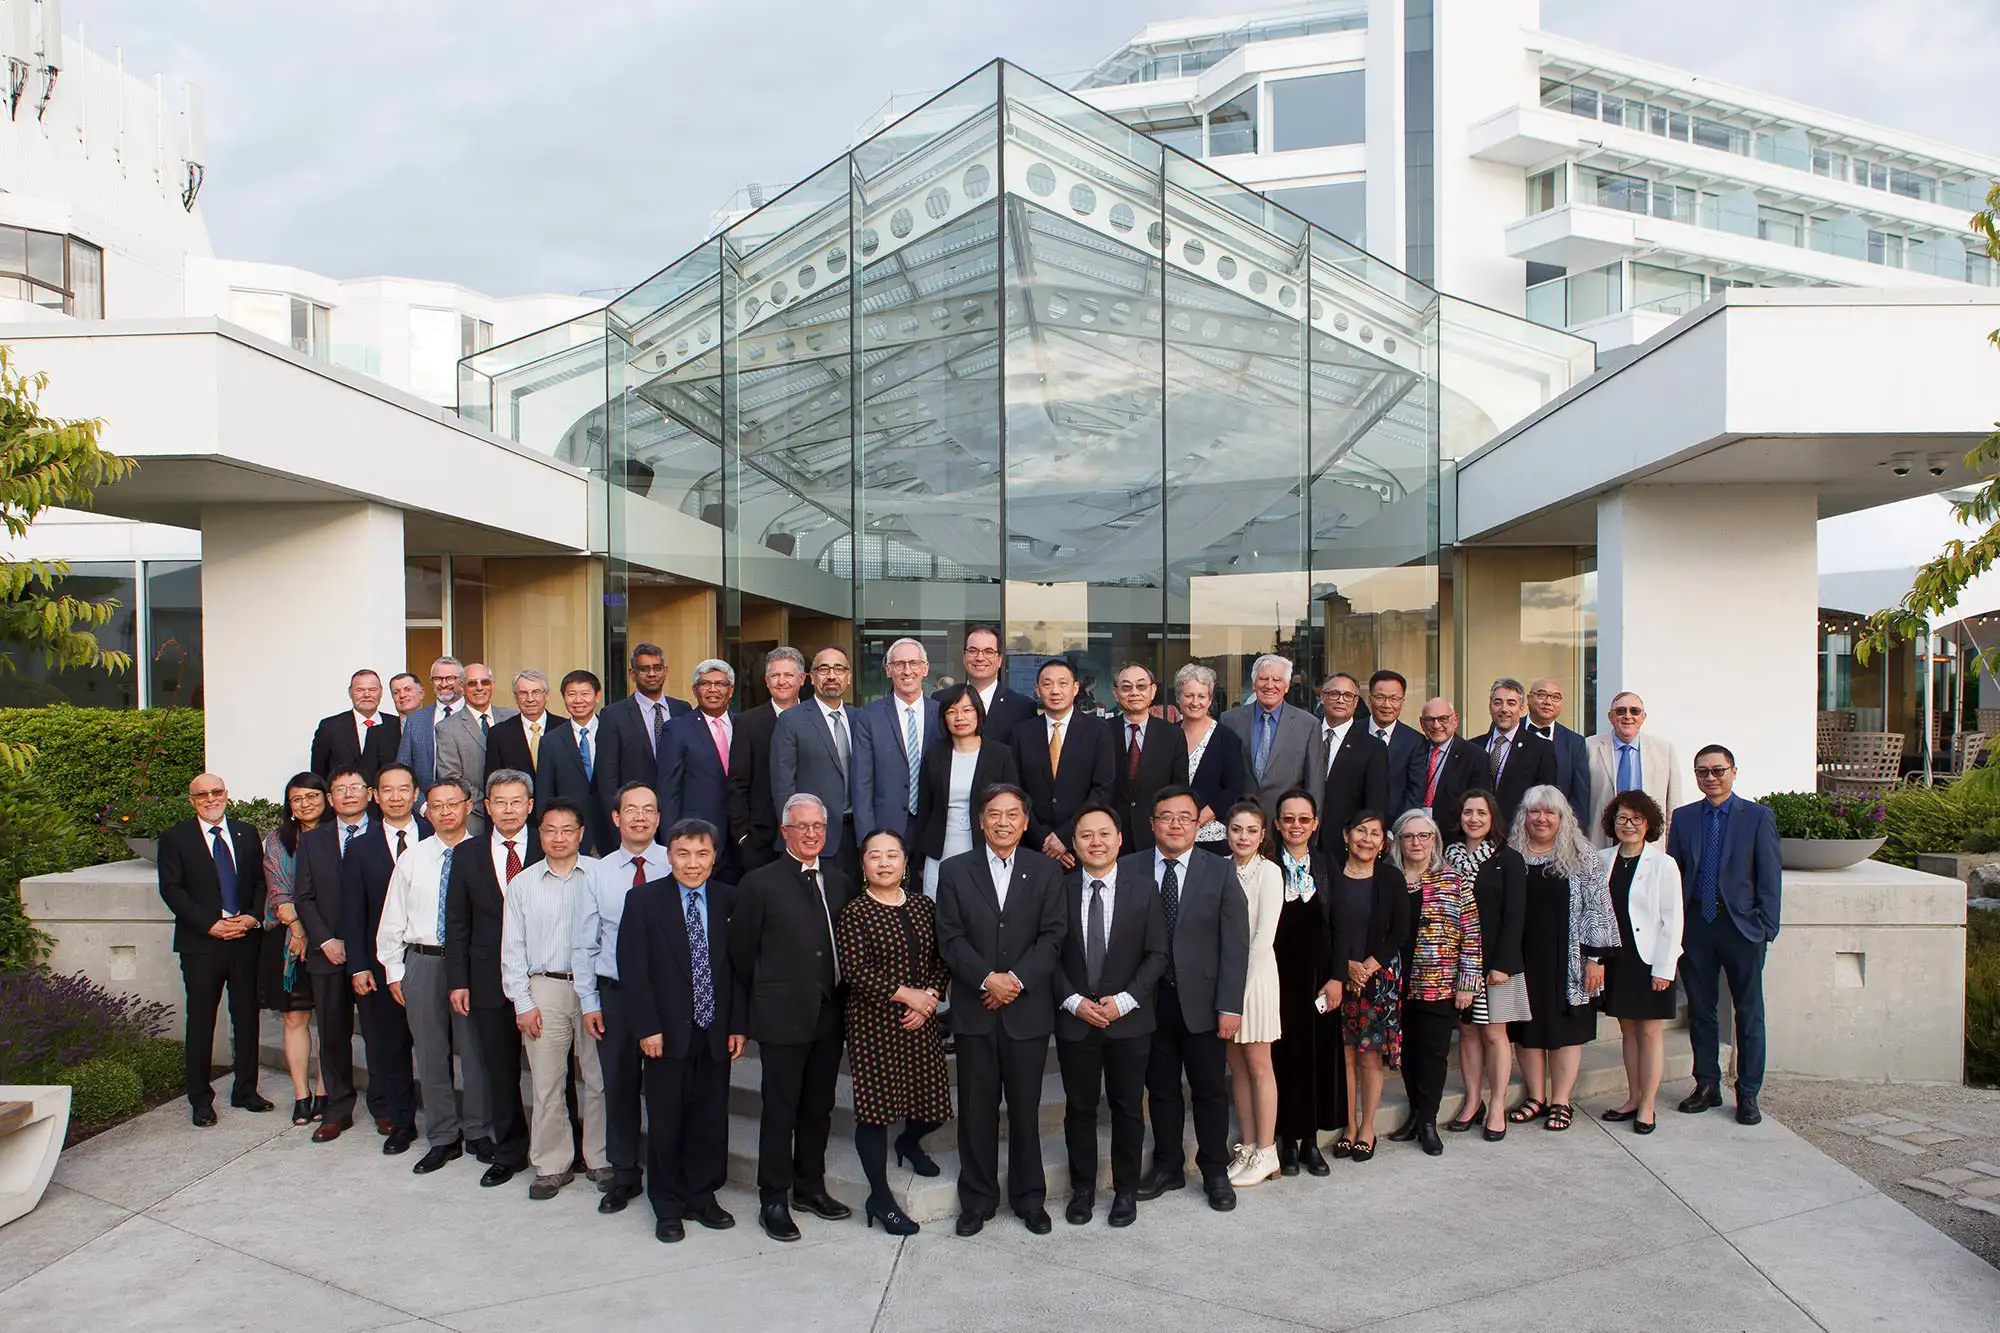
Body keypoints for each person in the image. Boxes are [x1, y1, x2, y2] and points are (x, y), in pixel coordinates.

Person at [934, 783, 1067, 1236]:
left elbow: (1052, 936)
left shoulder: (1045, 871)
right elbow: (949, 937)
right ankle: (978, 1199)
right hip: (975, 1009)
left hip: (1026, 1013)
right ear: (980, 819)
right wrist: (987, 980)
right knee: (976, 1110)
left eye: (1013, 814)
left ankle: (1031, 1198)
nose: (1003, 822)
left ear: (1026, 822)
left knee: (1027, 1110)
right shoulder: (954, 871)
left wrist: (1014, 982)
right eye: (994, 813)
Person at [730, 794, 856, 1241]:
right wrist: (745, 1017)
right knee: (780, 1109)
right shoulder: (759, 884)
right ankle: (773, 1197)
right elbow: (742, 957)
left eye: (818, 826)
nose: (810, 834)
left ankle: (809, 1186)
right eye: (801, 826)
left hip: (829, 1014)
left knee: (818, 1108)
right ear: (785, 832)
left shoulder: (841, 880)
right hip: (782, 1015)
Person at [619, 817, 747, 1244]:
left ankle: (702, 1196)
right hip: (666, 1033)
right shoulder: (643, 902)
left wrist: (737, 1025)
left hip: (714, 1031)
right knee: (667, 1119)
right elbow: (633, 971)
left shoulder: (730, 901)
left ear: (714, 856)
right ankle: (668, 1204)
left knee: (709, 1118)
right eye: (683, 854)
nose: (693, 864)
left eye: (702, 854)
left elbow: (739, 971)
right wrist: (647, 1027)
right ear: (668, 855)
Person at [1049, 803, 1167, 1228]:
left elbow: (1157, 954)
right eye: (1085, 835)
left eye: (1104, 834)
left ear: (1119, 839)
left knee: (1128, 1108)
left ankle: (1124, 1191)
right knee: (1079, 1108)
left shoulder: (1143, 888)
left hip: (1128, 1021)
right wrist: (1073, 1001)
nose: (1095, 842)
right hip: (1075, 1019)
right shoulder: (1057, 890)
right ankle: (1082, 1190)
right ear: (1075, 843)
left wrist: (1125, 1000)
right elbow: (1049, 955)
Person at [1134, 785, 1249, 1212]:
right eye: (1166, 816)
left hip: (1203, 1001)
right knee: (1160, 1089)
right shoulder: (1129, 867)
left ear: (1198, 823)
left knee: (1209, 1090)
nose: (1176, 824)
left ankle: (1215, 1169)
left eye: (1185, 816)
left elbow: (1235, 943)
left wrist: (1230, 1006)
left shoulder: (1218, 870)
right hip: (1148, 1001)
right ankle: (1167, 1165)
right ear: (1152, 824)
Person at [835, 828, 953, 1237]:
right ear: (863, 864)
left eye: (892, 855)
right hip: (874, 1023)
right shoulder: (855, 912)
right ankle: (879, 1197)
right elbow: (856, 971)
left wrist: (931, 998)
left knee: (933, 1107)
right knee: (876, 1113)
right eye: (875, 856)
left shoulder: (924, 905)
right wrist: (909, 997)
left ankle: (909, 1143)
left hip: (920, 1020)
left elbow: (943, 958)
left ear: (906, 863)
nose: (884, 862)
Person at [377, 778, 489, 1174]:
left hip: (473, 964)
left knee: (474, 1050)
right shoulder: (414, 857)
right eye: (436, 805)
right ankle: (443, 1136)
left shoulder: (485, 853)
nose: (444, 811)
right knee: (430, 1053)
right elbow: (394, 915)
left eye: (452, 804)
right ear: (427, 810)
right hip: (423, 961)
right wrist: (395, 970)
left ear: (469, 805)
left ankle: (478, 1129)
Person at [1666, 744, 1781, 1126]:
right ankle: (1707, 1085)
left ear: (1733, 772)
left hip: (1742, 928)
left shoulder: (1757, 817)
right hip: (1698, 926)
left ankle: (1747, 1093)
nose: (1710, 778)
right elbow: (1677, 874)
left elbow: (1769, 877)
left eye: (1717, 771)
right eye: (1702, 772)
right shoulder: (1683, 819)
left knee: (1748, 1014)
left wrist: (1766, 927)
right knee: (1701, 1010)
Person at [500, 798, 608, 1199]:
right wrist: (522, 1002)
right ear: (539, 833)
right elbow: (512, 949)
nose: (559, 837)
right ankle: (551, 1163)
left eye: (568, 830)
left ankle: (600, 1157)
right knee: (547, 1081)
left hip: (593, 987)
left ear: (581, 833)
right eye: (550, 830)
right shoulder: (523, 884)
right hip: (544, 985)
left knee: (598, 1078)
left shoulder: (600, 875)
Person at [575, 783, 670, 1215]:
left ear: (658, 817)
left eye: (649, 810)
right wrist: (589, 1001)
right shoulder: (598, 872)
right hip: (615, 995)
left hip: (668, 997)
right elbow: (585, 941)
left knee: (668, 1089)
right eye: (631, 810)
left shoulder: (676, 862)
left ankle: (670, 1171)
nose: (640, 817)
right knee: (619, 1086)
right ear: (615, 818)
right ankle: (624, 1173)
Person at [445, 768, 543, 1186]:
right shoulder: (468, 854)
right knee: (499, 1069)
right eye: (499, 802)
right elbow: (457, 921)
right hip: (486, 978)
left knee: (551, 1069)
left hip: (541, 976)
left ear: (530, 806)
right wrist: (458, 980)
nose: (508, 809)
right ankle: (510, 1150)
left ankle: (560, 1145)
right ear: (486, 807)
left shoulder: (548, 846)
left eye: (516, 801)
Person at [1505, 785, 1619, 1134]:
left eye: (1549, 813)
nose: (1541, 818)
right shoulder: (1511, 853)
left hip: (1566, 957)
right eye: (1534, 812)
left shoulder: (1582, 855)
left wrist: (1594, 958)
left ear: (1562, 817)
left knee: (1565, 1031)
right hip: (1521, 956)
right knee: (1525, 1029)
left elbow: (1598, 909)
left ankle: (1561, 1101)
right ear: (1524, 816)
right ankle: (1536, 1097)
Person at [158, 774, 271, 1125]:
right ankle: (200, 1100)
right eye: (202, 794)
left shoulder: (245, 832)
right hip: (202, 944)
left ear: (226, 795)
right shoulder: (175, 838)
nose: (210, 798)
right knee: (203, 1021)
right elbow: (172, 890)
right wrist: (209, 924)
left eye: (216, 792)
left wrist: (251, 918)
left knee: (247, 1017)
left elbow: (258, 882)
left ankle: (246, 1090)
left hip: (244, 940)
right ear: (192, 800)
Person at [341, 762, 429, 1153]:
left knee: (434, 1045)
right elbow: (352, 911)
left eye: (403, 789)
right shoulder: (360, 847)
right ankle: (400, 1121)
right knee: (389, 1047)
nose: (396, 797)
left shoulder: (437, 835)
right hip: (379, 965)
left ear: (416, 794)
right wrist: (359, 964)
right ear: (375, 796)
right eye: (387, 790)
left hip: (432, 960)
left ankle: (450, 1124)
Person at [1385, 810, 1480, 1158]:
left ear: (1435, 841)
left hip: (1437, 982)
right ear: (1398, 841)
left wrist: (1467, 982)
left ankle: (1428, 1120)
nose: (1416, 843)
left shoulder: (1453, 880)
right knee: (1406, 1051)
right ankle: (1413, 1113)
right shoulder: (1388, 877)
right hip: (1395, 982)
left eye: (1424, 836)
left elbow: (1471, 934)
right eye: (1409, 836)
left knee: (1432, 1053)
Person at [288, 766, 374, 1141]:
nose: (349, 794)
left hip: (373, 954)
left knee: (379, 1033)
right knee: (333, 1034)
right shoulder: (313, 840)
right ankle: (337, 1109)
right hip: (327, 953)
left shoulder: (387, 833)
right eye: (340, 789)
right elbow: (303, 897)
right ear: (330, 798)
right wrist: (324, 940)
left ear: (369, 793)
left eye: (355, 787)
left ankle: (385, 1106)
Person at [1596, 790, 1684, 1134]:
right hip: (1616, 958)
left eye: (1636, 819)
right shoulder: (1603, 859)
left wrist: (1665, 968)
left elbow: (1672, 919)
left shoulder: (1663, 863)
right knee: (1627, 1030)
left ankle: (1647, 1104)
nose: (1628, 825)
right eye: (1622, 819)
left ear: (1649, 824)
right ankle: (1632, 1097)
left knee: (1649, 1032)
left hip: (1648, 959)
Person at [1443, 789, 1527, 1142]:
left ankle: (1496, 1106)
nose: (1473, 819)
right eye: (1467, 812)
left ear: (1493, 818)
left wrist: (1503, 964)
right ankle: (1472, 1100)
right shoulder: (1447, 856)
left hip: (1496, 964)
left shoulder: (1507, 859)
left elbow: (1515, 916)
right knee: (1468, 1033)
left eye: (1480, 812)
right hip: (1460, 962)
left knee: (1495, 1034)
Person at [1269, 790, 1344, 1176]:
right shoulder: (1267, 864)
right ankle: (1286, 1139)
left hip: (1319, 979)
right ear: (1278, 823)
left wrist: (1336, 978)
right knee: (1283, 1057)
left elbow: (1340, 924)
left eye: (1304, 818)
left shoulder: (1328, 864)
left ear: (1315, 823)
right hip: (1278, 980)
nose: (1296, 825)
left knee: (1316, 1057)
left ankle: (1311, 1141)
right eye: (1289, 818)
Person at [1328, 809, 1406, 1163]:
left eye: (1375, 833)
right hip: (1336, 977)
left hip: (1378, 979)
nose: (1367, 839)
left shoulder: (1390, 878)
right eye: (1360, 831)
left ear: (1383, 842)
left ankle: (1368, 1128)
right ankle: (1348, 1126)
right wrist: (1345, 966)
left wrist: (1368, 966)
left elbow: (1401, 931)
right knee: (1343, 1055)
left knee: (1369, 1057)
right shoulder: (1330, 875)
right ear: (1346, 835)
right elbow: (1323, 927)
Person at [1222, 799, 1285, 1187]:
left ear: (1263, 835)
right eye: (1236, 829)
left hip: (1256, 979)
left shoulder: (1270, 873)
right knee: (1238, 1068)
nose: (1243, 837)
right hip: (1226, 984)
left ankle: (1267, 1151)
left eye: (1251, 830)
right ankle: (1247, 1145)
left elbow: (1264, 937)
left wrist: (1237, 984)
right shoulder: (1221, 870)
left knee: (1260, 1066)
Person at [261, 772, 329, 1128]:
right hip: (292, 942)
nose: (304, 804)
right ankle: (302, 1094)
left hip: (332, 939)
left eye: (311, 796)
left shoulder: (339, 834)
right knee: (296, 1018)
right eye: (296, 799)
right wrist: (301, 931)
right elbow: (279, 893)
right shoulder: (277, 841)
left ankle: (326, 1091)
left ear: (325, 797)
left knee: (333, 1021)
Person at [912, 683, 1020, 897]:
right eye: (951, 712)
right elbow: (925, 808)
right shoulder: (935, 754)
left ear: (978, 713)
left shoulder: (1000, 754)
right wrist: (920, 860)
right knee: (939, 908)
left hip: (985, 846)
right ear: (944, 718)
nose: (959, 717)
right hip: (940, 848)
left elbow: (1014, 806)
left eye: (967, 710)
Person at [1012, 657, 1114, 873]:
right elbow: (1017, 791)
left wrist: (1066, 837)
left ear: (1076, 688)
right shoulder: (1022, 733)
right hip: (1034, 848)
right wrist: (1045, 840)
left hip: (1082, 848)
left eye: (1062, 683)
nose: (1055, 691)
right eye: (1047, 684)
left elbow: (1102, 790)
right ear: (1037, 690)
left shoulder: (1097, 730)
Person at [772, 646, 861, 876]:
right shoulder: (791, 720)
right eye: (824, 669)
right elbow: (783, 784)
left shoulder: (860, 718)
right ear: (811, 678)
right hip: (811, 837)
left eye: (839, 669)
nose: (832, 675)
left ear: (848, 677)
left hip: (855, 837)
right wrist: (793, 834)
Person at [852, 638, 940, 853]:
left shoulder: (942, 714)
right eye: (899, 664)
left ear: (925, 669)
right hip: (885, 828)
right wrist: (867, 840)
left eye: (913, 663)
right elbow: (861, 784)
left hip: (933, 826)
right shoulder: (869, 716)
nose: (907, 670)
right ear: (888, 670)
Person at [657, 659, 740, 878]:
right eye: (705, 684)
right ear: (695, 690)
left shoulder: (744, 725)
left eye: (720, 684)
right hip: (696, 838)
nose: (713, 689)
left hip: (740, 839)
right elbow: (668, 790)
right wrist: (671, 840)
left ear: (730, 690)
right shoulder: (677, 729)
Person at [728, 646, 806, 872]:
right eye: (775, 675)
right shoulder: (747, 723)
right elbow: (737, 782)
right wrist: (743, 835)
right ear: (766, 680)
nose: (782, 681)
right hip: (761, 839)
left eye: (788, 675)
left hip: (809, 834)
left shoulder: (816, 719)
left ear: (801, 679)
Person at [1220, 654, 1325, 820]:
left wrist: (1312, 827)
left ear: (1287, 686)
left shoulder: (1308, 725)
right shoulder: (1230, 720)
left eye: (1276, 680)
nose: (1269, 686)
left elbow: (1314, 785)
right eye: (1263, 679)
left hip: (1287, 823)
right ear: (1254, 684)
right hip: (1240, 823)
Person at [536, 669, 619, 855]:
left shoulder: (614, 733)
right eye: (571, 694)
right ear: (564, 697)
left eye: (585, 694)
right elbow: (545, 793)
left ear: (597, 696)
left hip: (612, 829)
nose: (578, 700)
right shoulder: (551, 741)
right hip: (569, 833)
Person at [1109, 663, 1189, 854]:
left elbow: (1179, 788)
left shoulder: (1172, 735)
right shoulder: (1101, 732)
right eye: (1126, 687)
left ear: (1153, 691)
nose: (1134, 693)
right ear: (1116, 693)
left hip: (1155, 835)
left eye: (1141, 686)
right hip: (1111, 834)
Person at [1586, 692, 1683, 848]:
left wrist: (1671, 845)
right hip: (1601, 841)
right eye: (1621, 711)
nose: (1627, 716)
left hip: (1650, 844)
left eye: (1634, 711)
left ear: (1643, 717)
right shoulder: (1589, 747)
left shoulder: (1664, 750)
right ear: (1610, 716)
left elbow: (1674, 804)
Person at [1174, 662, 1249, 858]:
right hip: (1172, 835)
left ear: (1209, 700)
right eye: (1189, 695)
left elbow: (1234, 786)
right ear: (1178, 698)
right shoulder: (1168, 735)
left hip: (1213, 836)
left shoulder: (1227, 738)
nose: (1195, 702)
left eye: (1201, 696)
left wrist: (1198, 820)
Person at [601, 643, 695, 793]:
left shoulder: (683, 709)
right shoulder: (613, 715)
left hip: (677, 803)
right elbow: (607, 774)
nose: (652, 674)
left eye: (657, 668)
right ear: (632, 673)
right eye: (644, 669)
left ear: (665, 671)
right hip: (635, 807)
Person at [1470, 677, 1560, 829]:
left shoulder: (1541, 749)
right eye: (1498, 702)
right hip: (1477, 831)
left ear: (1522, 708)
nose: (1504, 709)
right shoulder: (1473, 746)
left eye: (1511, 703)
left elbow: (1544, 798)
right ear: (1490, 706)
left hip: (1518, 834)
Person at [1315, 672, 1389, 856]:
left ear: (1356, 702)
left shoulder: (1373, 747)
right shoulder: (1306, 734)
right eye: (1334, 694)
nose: (1341, 700)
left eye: (1348, 696)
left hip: (1345, 845)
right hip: (1301, 839)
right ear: (1322, 697)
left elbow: (1375, 801)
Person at [1408, 698, 1488, 843]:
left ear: (1455, 720)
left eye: (1443, 719)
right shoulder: (1413, 749)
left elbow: (1480, 802)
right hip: (1414, 837)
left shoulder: (1474, 755)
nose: (1436, 725)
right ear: (1421, 723)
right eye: (1429, 720)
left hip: (1455, 839)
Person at [434, 663, 517, 799]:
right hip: (474, 812)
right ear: (461, 687)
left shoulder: (512, 717)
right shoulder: (447, 728)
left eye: (485, 682)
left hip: (513, 809)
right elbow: (452, 778)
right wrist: (487, 803)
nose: (479, 688)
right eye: (472, 683)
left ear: (492, 685)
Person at [944, 625, 1038, 740]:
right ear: (964, 657)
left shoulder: (1023, 708)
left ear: (999, 660)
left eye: (988, 652)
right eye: (973, 651)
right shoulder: (941, 700)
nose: (979, 658)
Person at [309, 668, 401, 783]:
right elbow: (318, 775)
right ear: (350, 692)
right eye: (360, 690)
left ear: (381, 692)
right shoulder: (329, 727)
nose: (367, 695)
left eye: (372, 690)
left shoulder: (396, 725)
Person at [1524, 677, 1592, 827]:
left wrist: (1573, 834)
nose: (1548, 702)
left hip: (1557, 831)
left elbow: (1580, 796)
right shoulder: (1511, 731)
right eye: (1541, 695)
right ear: (1528, 699)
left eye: (1555, 697)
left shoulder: (1575, 743)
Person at [395, 656, 465, 793]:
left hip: (468, 807)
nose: (443, 684)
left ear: (462, 681)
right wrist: (421, 806)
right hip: (426, 807)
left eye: (450, 678)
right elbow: (403, 770)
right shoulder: (415, 720)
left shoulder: (475, 716)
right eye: (438, 679)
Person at [1363, 670, 1422, 810]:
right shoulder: (1353, 732)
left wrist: (1397, 828)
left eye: (1394, 699)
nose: (1387, 705)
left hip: (1396, 826)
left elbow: (1415, 792)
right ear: (1369, 700)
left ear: (1402, 702)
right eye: (1380, 698)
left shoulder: (1415, 741)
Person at [486, 670, 550, 782]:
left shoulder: (565, 728)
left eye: (536, 692)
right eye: (523, 693)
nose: (530, 699)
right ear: (515, 697)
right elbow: (493, 780)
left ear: (546, 695)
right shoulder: (499, 734)